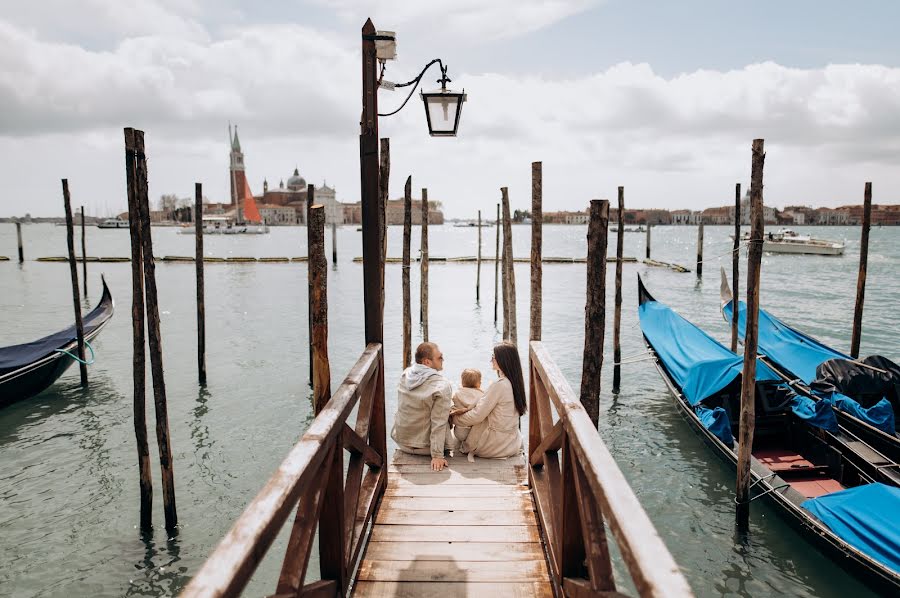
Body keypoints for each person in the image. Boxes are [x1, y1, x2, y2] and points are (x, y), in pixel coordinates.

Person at [452, 342, 525, 460]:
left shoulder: (499, 385)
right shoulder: (514, 382)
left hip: (495, 446)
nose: (491, 360)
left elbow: (477, 416)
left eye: (493, 357)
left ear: (502, 360)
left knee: (463, 428)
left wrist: (453, 418)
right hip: (511, 443)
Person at [391, 342, 455, 471]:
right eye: (440, 357)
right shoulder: (442, 385)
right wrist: (437, 456)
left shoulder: (405, 375)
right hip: (425, 448)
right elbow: (439, 422)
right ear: (427, 362)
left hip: (402, 442)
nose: (443, 360)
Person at [450, 368, 484, 443]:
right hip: (475, 431)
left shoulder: (457, 394)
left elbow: (453, 405)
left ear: (462, 382)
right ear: (479, 383)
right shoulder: (481, 395)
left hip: (459, 433)